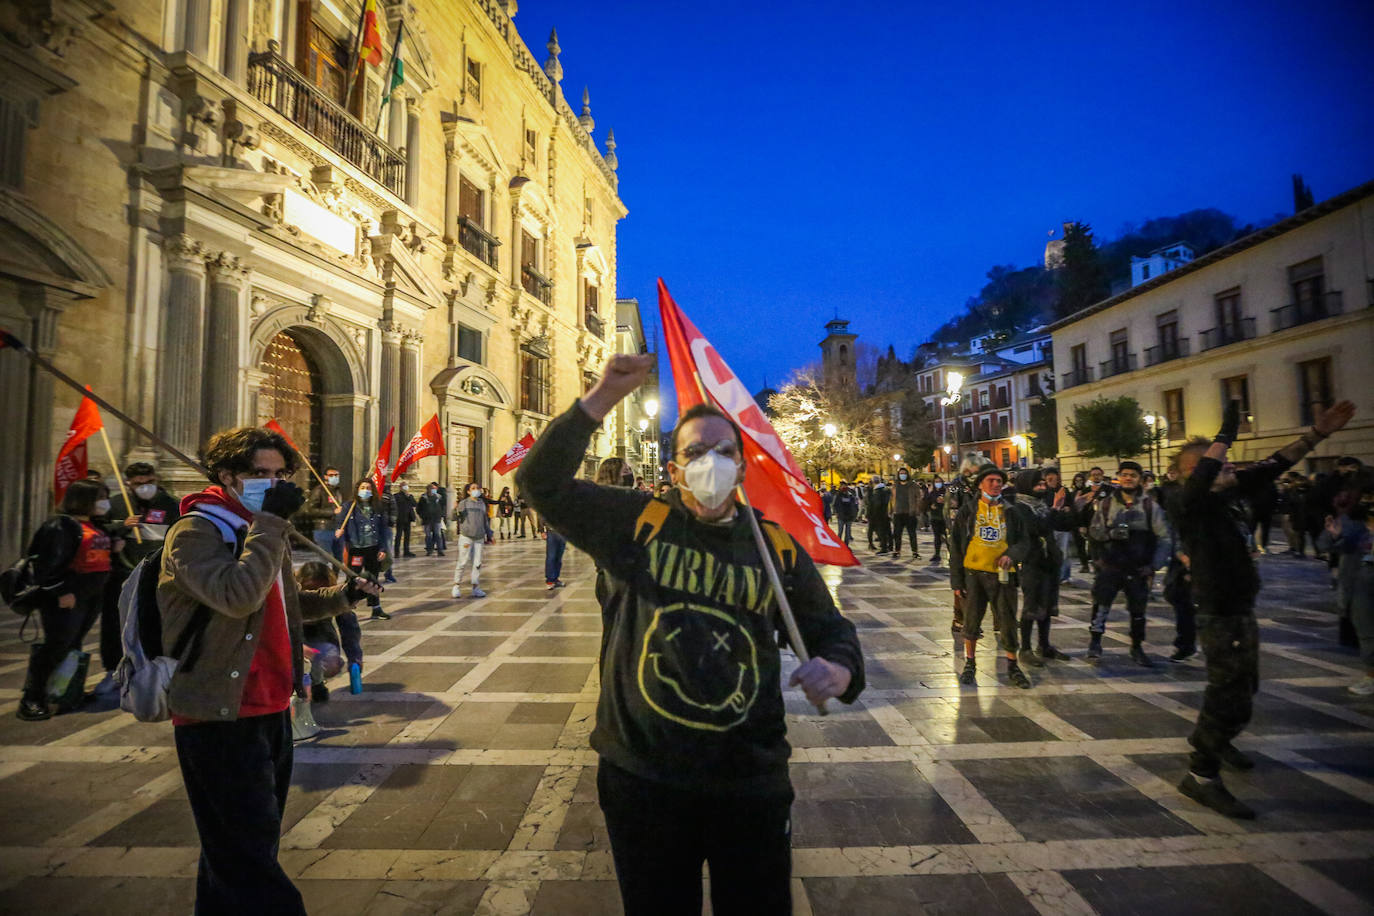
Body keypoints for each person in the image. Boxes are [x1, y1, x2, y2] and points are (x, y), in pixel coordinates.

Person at [516, 352, 864, 915]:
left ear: (744, 468)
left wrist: (840, 668)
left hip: (749, 779)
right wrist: (602, 396)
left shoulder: (773, 549)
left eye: (725, 452)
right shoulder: (634, 522)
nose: (711, 462)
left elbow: (830, 629)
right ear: (674, 469)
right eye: (695, 452)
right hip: (645, 777)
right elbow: (539, 484)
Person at [159, 426, 378, 912]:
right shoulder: (196, 532)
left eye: (279, 475)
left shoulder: (256, 529)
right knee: (251, 861)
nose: (271, 483)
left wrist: (344, 595)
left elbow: (282, 604)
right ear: (227, 475)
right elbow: (238, 597)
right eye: (259, 474)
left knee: (238, 853)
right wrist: (272, 524)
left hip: (271, 705)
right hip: (219, 712)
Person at [1170, 398, 1355, 819]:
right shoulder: (1188, 504)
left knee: (1245, 688)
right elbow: (1202, 480)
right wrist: (1223, 437)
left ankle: (1220, 739)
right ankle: (1201, 775)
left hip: (1241, 606)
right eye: (1219, 465)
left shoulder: (1229, 490)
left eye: (1229, 464)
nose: (1228, 468)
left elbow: (1275, 463)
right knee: (1228, 691)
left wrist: (1318, 434)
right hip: (1218, 610)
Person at [16, 480, 121, 720]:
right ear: (83, 499)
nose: (104, 502)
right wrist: (60, 592)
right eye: (100, 498)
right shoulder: (60, 525)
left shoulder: (91, 525)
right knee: (56, 646)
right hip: (67, 597)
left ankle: (65, 693)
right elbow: (46, 565)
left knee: (73, 646)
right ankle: (32, 698)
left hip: (89, 596)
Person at [96, 462, 180, 696]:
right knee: (115, 624)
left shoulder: (171, 505)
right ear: (128, 484)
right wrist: (120, 528)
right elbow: (98, 530)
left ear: (156, 479)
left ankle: (154, 672)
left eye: (149, 482)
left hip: (157, 574)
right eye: (138, 484)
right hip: (121, 573)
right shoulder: (117, 503)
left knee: (155, 622)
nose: (144, 487)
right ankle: (113, 669)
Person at [949, 465, 1033, 689]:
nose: (996, 485)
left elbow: (1024, 542)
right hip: (974, 575)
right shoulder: (968, 512)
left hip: (1003, 576)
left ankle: (1013, 666)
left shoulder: (1011, 511)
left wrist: (1011, 556)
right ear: (980, 484)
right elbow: (956, 547)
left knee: (1007, 621)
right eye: (991, 481)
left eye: (999, 481)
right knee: (971, 621)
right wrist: (956, 582)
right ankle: (970, 663)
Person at [1084, 461, 1171, 665]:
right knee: (1101, 604)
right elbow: (1094, 530)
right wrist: (1109, 534)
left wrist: (1154, 566)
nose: (1128, 478)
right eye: (1124, 474)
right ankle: (1095, 642)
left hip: (1138, 567)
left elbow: (1165, 537)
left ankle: (1137, 647)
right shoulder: (1107, 504)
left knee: (1138, 610)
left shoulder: (1150, 506)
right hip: (1111, 564)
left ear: (1139, 478)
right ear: (1118, 477)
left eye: (1133, 475)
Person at [1009, 469, 1074, 666]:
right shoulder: (1019, 508)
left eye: (1043, 483)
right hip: (1032, 562)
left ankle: (1044, 645)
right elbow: (1036, 528)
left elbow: (1061, 525)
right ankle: (1026, 649)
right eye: (1038, 484)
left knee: (1046, 605)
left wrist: (1073, 508)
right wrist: (1054, 509)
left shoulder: (1041, 505)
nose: (1042, 487)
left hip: (1049, 562)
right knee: (1032, 605)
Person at [296, 562, 363, 703]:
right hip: (297, 637)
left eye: (321, 590)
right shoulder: (294, 596)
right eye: (310, 590)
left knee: (324, 659)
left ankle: (317, 683)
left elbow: (349, 629)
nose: (316, 596)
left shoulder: (332, 599)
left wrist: (354, 657)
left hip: (322, 637)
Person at [338, 478, 392, 620]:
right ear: (357, 490)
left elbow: (383, 529)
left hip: (372, 548)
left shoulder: (378, 507)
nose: (365, 490)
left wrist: (383, 548)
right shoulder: (349, 507)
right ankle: (346, 606)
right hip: (356, 549)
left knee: (373, 578)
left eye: (368, 488)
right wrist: (339, 531)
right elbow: (340, 525)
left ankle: (376, 608)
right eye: (363, 487)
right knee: (353, 577)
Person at [943, 454, 983, 631]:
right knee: (962, 580)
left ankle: (968, 619)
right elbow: (951, 511)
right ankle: (961, 618)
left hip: (980, 539)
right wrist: (956, 535)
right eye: (976, 469)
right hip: (962, 539)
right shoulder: (954, 487)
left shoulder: (980, 486)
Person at [451, 482, 494, 598]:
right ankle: (456, 585)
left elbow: (485, 521)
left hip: (479, 537)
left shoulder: (482, 504)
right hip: (467, 537)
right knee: (463, 561)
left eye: (478, 488)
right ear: (468, 491)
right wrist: (454, 509)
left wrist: (490, 534)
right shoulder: (464, 503)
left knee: (477, 563)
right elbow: (454, 518)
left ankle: (475, 587)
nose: (476, 490)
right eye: (473, 488)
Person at [300, 466, 345, 560]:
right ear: (325, 477)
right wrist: (332, 512)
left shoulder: (338, 491)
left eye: (336, 475)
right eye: (331, 475)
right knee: (324, 558)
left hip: (337, 529)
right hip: (323, 529)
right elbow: (310, 510)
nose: (334, 477)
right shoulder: (319, 490)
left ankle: (335, 575)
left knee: (338, 560)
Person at [890, 470, 919, 558]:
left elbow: (918, 497)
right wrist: (890, 510)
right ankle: (897, 550)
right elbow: (892, 499)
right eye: (901, 474)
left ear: (907, 474)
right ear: (898, 475)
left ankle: (915, 551)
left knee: (912, 534)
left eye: (904, 473)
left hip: (910, 513)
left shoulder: (913, 486)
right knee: (897, 533)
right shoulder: (895, 486)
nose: (903, 475)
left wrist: (916, 509)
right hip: (898, 512)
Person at [417, 482, 446, 556]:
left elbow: (443, 505)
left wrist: (441, 514)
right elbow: (419, 508)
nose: (434, 490)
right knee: (428, 535)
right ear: (428, 489)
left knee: (438, 534)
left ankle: (440, 550)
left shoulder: (438, 497)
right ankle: (429, 550)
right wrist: (422, 516)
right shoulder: (423, 498)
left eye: (434, 489)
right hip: (427, 519)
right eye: (432, 489)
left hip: (436, 518)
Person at [866, 475, 893, 555]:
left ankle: (884, 547)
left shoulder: (877, 491)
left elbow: (877, 504)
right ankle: (890, 546)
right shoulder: (887, 490)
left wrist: (873, 514)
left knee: (882, 531)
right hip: (886, 513)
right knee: (888, 530)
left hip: (879, 514)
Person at [392, 481, 417, 558]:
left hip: (408, 518)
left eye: (406, 486)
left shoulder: (410, 496)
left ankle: (406, 551)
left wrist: (408, 496)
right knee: (398, 536)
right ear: (400, 487)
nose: (406, 488)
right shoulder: (396, 496)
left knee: (407, 536)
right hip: (400, 518)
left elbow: (414, 504)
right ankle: (397, 552)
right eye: (404, 486)